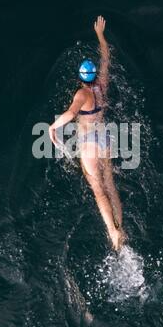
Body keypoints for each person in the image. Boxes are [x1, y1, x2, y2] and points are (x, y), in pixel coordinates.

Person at [49, 16, 127, 251]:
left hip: (90, 143)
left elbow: (71, 113)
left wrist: (53, 128)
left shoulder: (82, 95)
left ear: (80, 78)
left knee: (98, 190)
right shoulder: (102, 84)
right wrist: (101, 37)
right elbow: (106, 58)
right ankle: (120, 227)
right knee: (110, 183)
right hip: (104, 137)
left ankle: (113, 233)